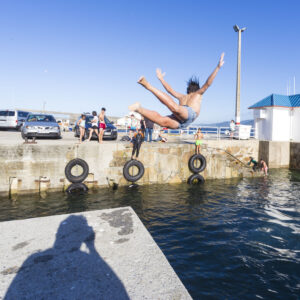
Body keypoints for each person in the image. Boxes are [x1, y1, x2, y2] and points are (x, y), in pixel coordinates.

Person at [128, 53, 225, 129]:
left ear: (188, 89)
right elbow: (207, 83)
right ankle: (139, 109)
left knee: (175, 108)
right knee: (162, 121)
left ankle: (148, 86)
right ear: (196, 88)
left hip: (187, 115)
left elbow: (170, 90)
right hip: (181, 120)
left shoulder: (195, 94)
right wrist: (218, 67)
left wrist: (161, 79)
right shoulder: (189, 95)